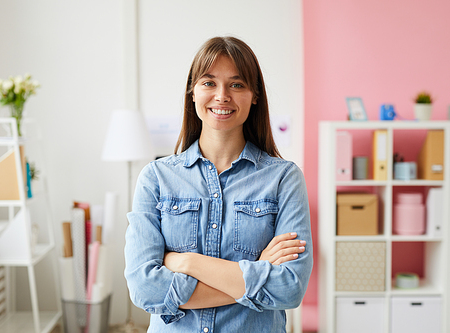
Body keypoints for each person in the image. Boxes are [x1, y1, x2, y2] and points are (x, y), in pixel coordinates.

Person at [125, 36, 313, 332]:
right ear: (192, 92)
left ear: (254, 95)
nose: (222, 96)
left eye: (237, 85)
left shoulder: (284, 178)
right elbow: (144, 289)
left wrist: (186, 263)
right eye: (209, 83)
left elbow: (289, 289)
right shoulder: (156, 177)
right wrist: (254, 276)